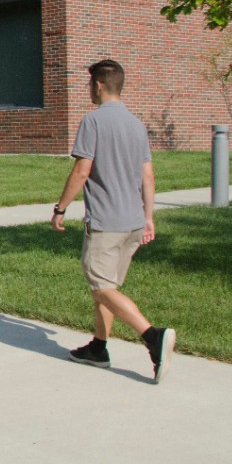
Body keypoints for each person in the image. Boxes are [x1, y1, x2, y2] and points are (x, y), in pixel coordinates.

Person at [53, 59, 176, 384]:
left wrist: (61, 207)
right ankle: (99, 347)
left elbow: (81, 171)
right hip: (134, 222)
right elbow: (148, 176)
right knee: (105, 287)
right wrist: (148, 217)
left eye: (88, 84)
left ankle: (153, 337)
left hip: (107, 223)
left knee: (102, 285)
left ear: (97, 85)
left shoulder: (93, 122)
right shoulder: (136, 125)